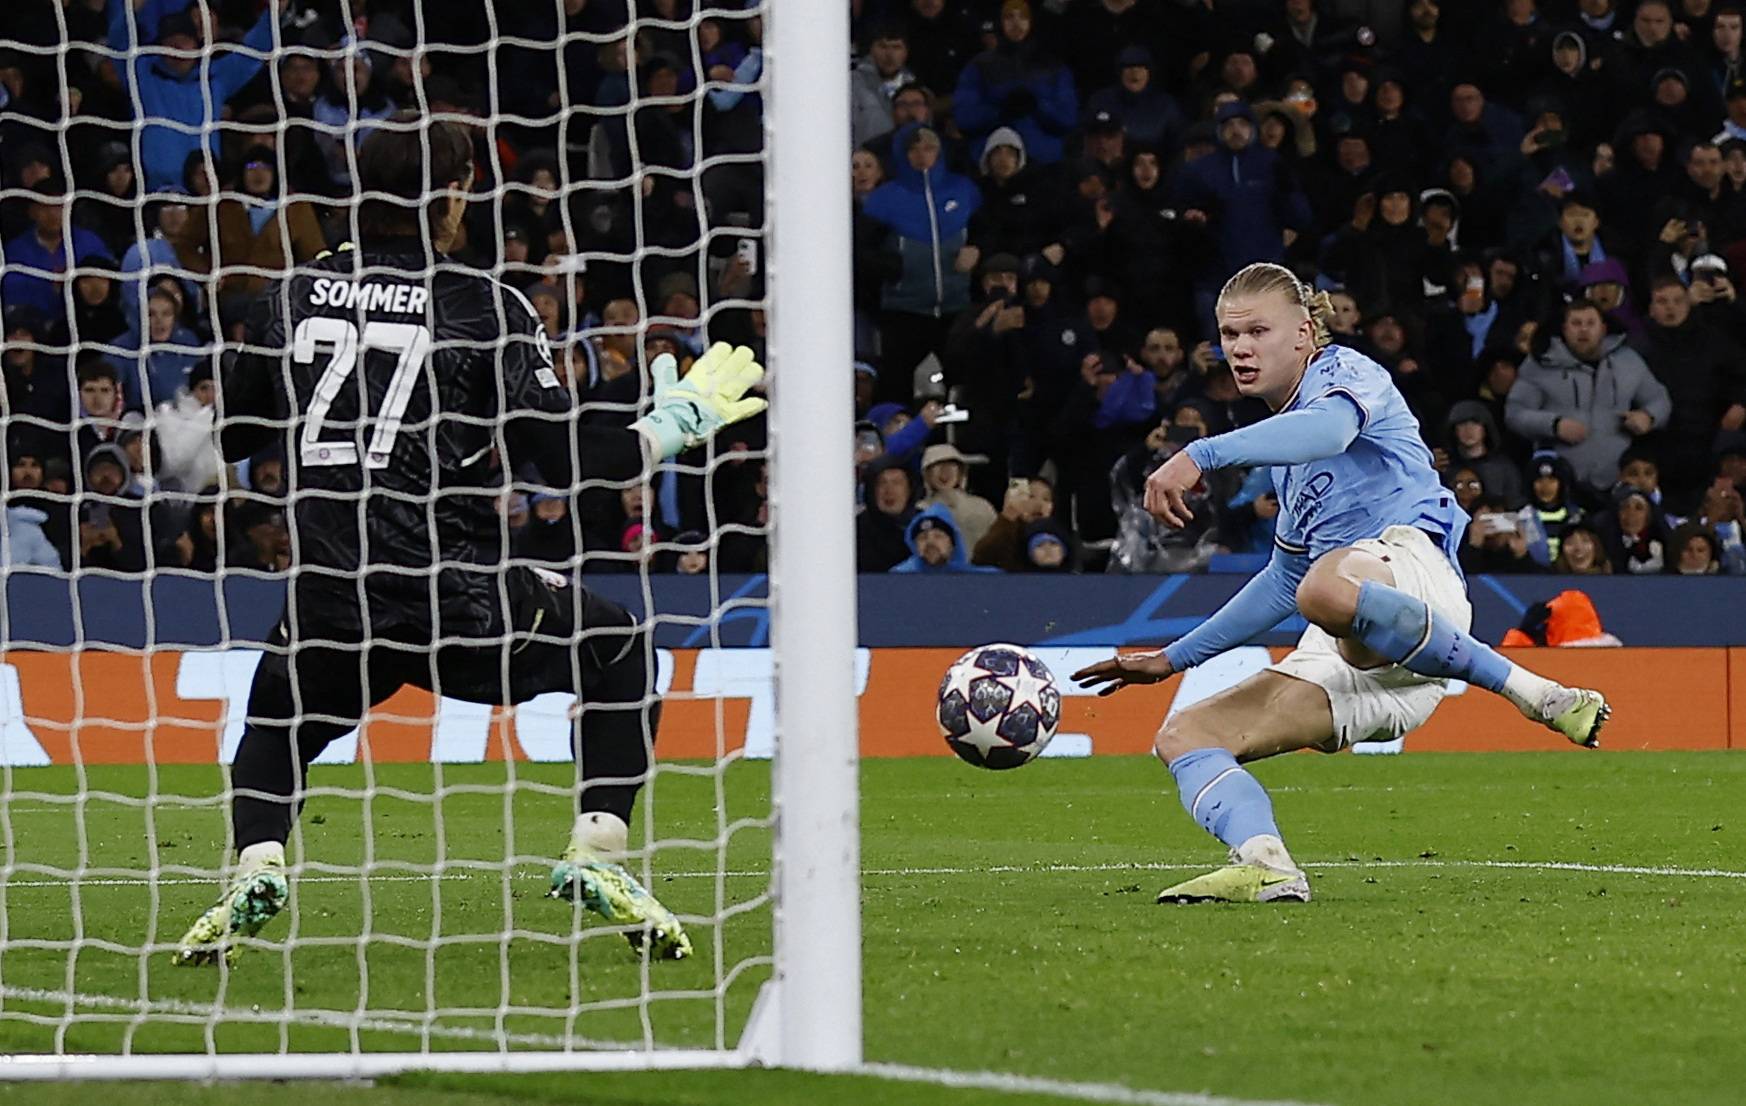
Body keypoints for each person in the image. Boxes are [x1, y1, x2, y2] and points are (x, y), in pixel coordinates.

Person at [172, 118, 768, 968]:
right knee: (619, 648)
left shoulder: (293, 295)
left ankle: (255, 866)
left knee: (278, 719)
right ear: (449, 196)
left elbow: (235, 437)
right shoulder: (482, 304)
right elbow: (564, 460)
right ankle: (597, 849)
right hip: (449, 593)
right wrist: (671, 424)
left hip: (333, 594)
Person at [1071, 263, 1609, 905]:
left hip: (1414, 577)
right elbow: (1280, 584)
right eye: (1229, 334)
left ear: (1304, 334)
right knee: (1186, 735)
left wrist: (1201, 453)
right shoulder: (1286, 469)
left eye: (1257, 331)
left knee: (1325, 591)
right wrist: (1169, 658)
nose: (1240, 348)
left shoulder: (1347, 374)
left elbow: (1330, 432)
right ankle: (1267, 864)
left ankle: (1538, 693)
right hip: (1370, 653)